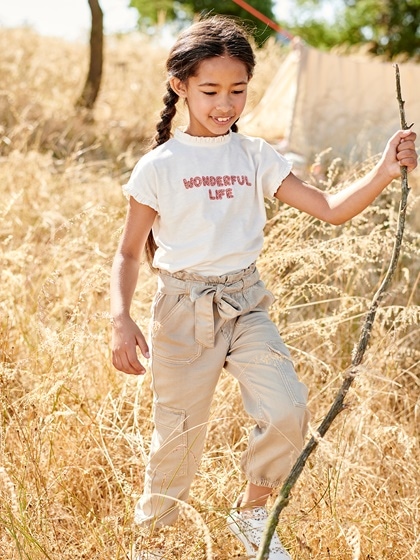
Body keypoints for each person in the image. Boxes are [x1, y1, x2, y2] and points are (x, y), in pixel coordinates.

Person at [110, 15, 417, 560]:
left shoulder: (255, 156)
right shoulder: (158, 166)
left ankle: (253, 515)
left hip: (246, 303)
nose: (225, 104)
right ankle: (152, 542)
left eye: (238, 90)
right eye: (210, 91)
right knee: (177, 439)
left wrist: (383, 171)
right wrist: (122, 318)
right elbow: (129, 252)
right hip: (181, 309)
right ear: (180, 86)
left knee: (286, 409)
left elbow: (329, 210)